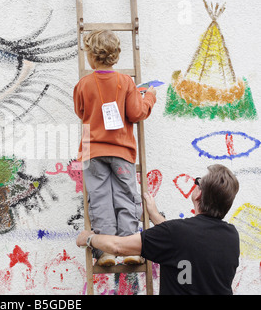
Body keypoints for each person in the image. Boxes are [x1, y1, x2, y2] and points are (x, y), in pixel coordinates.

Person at [76, 164, 240, 295]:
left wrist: (89, 239)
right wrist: (154, 215)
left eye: (198, 182)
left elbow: (117, 246)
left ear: (199, 194)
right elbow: (185, 243)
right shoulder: (232, 237)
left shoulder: (176, 234)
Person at [73, 29, 157, 266]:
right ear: (116, 56)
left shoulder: (83, 84)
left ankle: (107, 251)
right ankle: (130, 247)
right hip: (121, 152)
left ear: (90, 57)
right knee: (126, 196)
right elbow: (136, 113)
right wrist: (148, 97)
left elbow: (80, 112)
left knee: (99, 198)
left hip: (93, 152)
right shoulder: (126, 82)